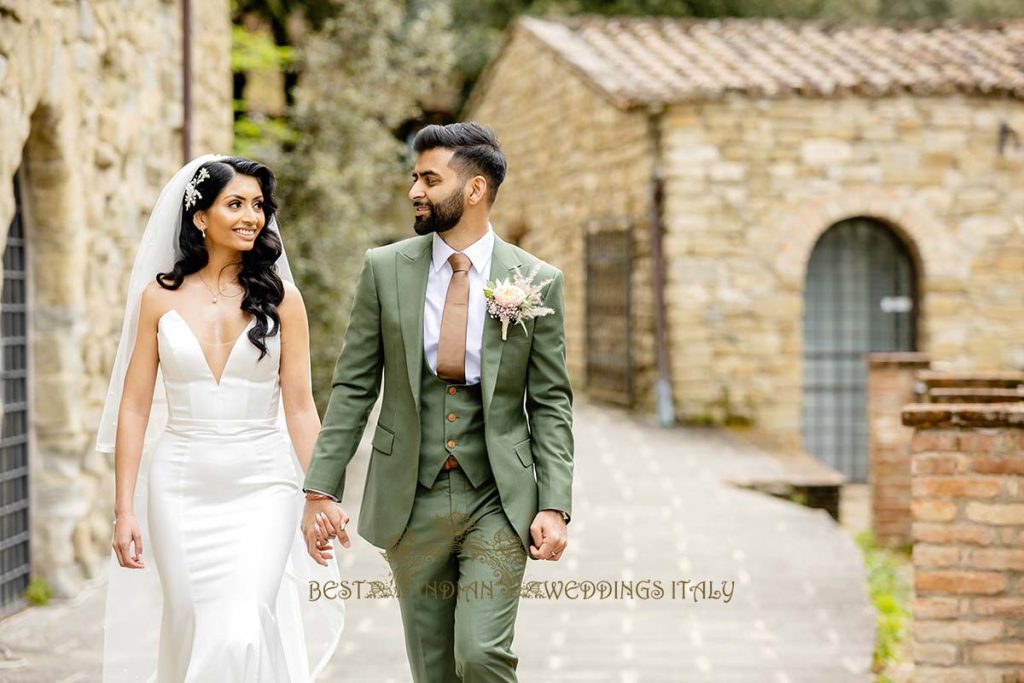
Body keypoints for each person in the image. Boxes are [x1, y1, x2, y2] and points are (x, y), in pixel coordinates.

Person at [301, 122, 574, 682]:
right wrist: (320, 487)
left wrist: (554, 503)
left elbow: (549, 402)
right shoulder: (384, 269)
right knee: (433, 668)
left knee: (480, 654)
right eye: (413, 177)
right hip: (411, 496)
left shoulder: (535, 280)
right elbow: (354, 386)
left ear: (474, 190)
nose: (414, 192)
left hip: (499, 497)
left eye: (429, 178)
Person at [96, 154, 344, 682]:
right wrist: (124, 510)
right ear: (200, 218)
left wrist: (321, 492)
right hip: (180, 486)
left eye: (258, 206)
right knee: (192, 627)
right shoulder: (158, 299)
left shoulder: (285, 302)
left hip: (264, 483)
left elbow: (300, 405)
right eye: (235, 204)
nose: (252, 216)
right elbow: (135, 406)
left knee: (240, 627)